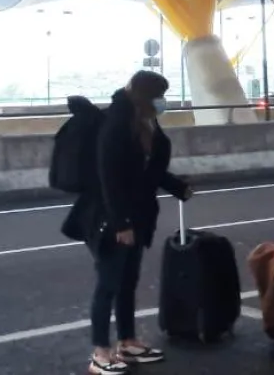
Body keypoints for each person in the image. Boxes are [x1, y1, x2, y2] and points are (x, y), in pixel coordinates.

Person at [71, 71, 192, 375]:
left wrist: (177, 186)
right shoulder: (115, 124)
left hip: (137, 216)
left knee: (127, 283)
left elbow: (147, 169)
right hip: (111, 218)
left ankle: (127, 341)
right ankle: (100, 353)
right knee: (108, 285)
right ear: (144, 94)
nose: (162, 101)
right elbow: (109, 178)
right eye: (158, 95)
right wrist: (121, 223)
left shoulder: (143, 120)